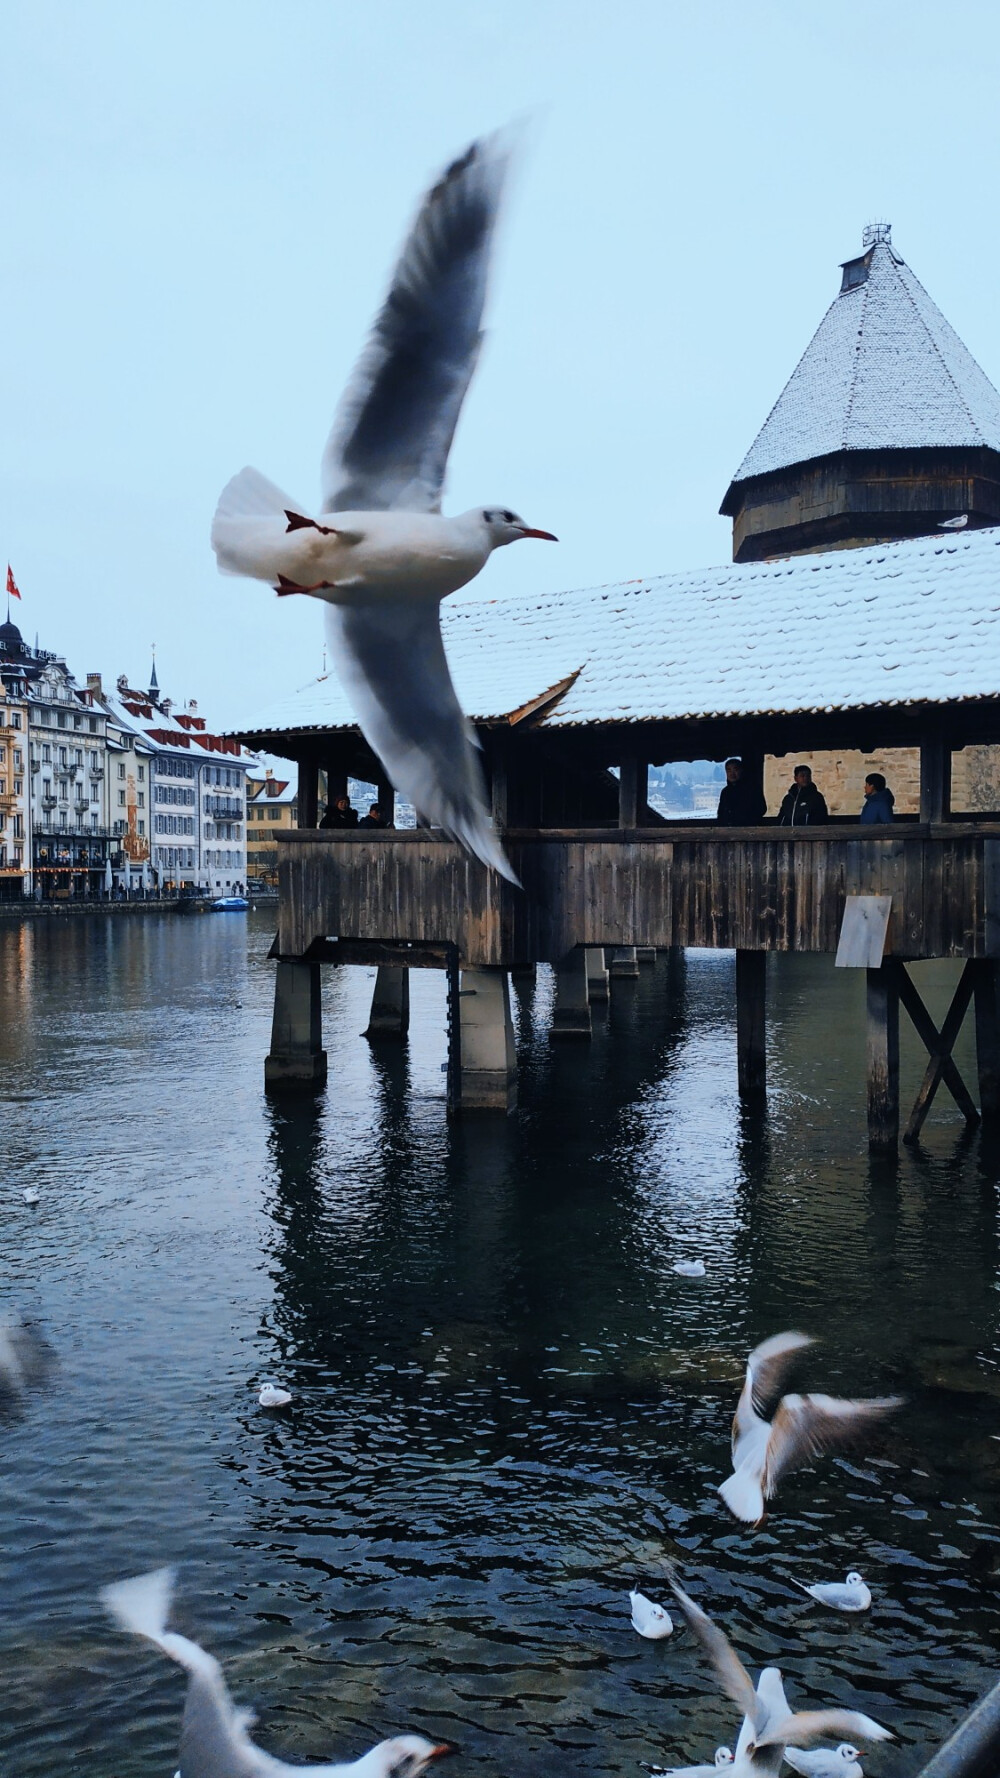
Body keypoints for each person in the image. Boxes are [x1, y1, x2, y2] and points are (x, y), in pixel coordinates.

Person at [716, 758, 766, 824]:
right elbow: (721, 813)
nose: (732, 774)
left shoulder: (753, 789)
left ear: (741, 770)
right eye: (729, 770)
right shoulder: (725, 792)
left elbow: (761, 809)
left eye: (735, 770)